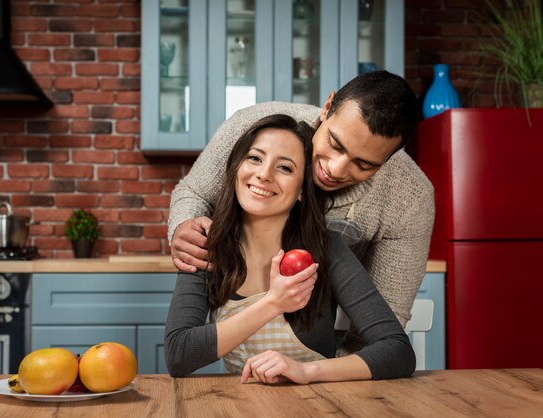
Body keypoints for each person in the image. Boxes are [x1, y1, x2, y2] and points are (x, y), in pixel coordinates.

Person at [168, 71, 434, 355]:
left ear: (390, 160)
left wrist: (325, 379)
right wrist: (185, 225)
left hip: (330, 333)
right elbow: (194, 192)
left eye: (364, 164)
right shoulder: (258, 129)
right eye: (335, 144)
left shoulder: (411, 198)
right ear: (328, 107)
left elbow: (383, 331)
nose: (336, 169)